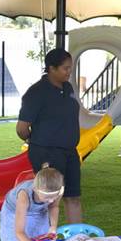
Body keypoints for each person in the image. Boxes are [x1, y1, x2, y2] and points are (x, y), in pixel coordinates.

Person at [16, 48, 83, 223]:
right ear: (51, 68)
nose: (69, 72)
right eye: (65, 68)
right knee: (49, 199)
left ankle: (77, 236)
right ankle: (45, 236)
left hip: (70, 151)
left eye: (70, 67)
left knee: (73, 197)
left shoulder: (68, 87)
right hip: (46, 153)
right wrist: (39, 141)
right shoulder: (36, 93)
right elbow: (22, 129)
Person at [0, 164, 64, 241]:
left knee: (40, 236)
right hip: (15, 210)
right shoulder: (23, 196)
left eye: (54, 197)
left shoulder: (58, 189)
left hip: (38, 209)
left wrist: (53, 227)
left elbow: (54, 206)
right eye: (47, 198)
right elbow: (19, 231)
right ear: (35, 189)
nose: (50, 201)